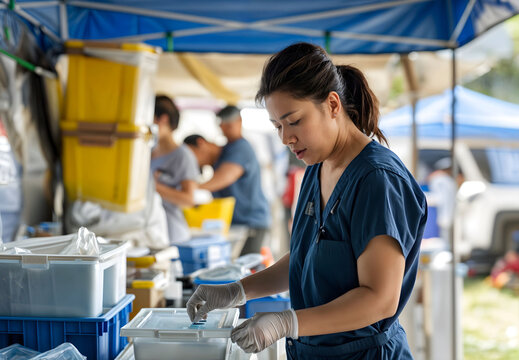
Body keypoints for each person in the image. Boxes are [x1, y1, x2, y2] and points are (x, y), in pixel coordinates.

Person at [186, 42, 427, 359]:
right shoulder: (318, 166)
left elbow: (379, 299)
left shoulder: (376, 180)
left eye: (294, 121)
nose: (285, 138)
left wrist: (287, 322)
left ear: (332, 105)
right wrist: (238, 290)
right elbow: (307, 258)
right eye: (278, 126)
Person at [184, 122, 271, 255]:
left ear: (201, 143)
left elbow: (225, 177)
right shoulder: (215, 163)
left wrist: (189, 188)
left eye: (191, 156)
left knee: (248, 270)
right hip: (235, 225)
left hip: (252, 223)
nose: (192, 162)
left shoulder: (238, 148)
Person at [151, 95, 199, 244]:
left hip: (172, 236)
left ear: (163, 119)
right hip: (151, 233)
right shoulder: (147, 151)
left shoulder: (183, 156)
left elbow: (188, 199)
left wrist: (152, 186)